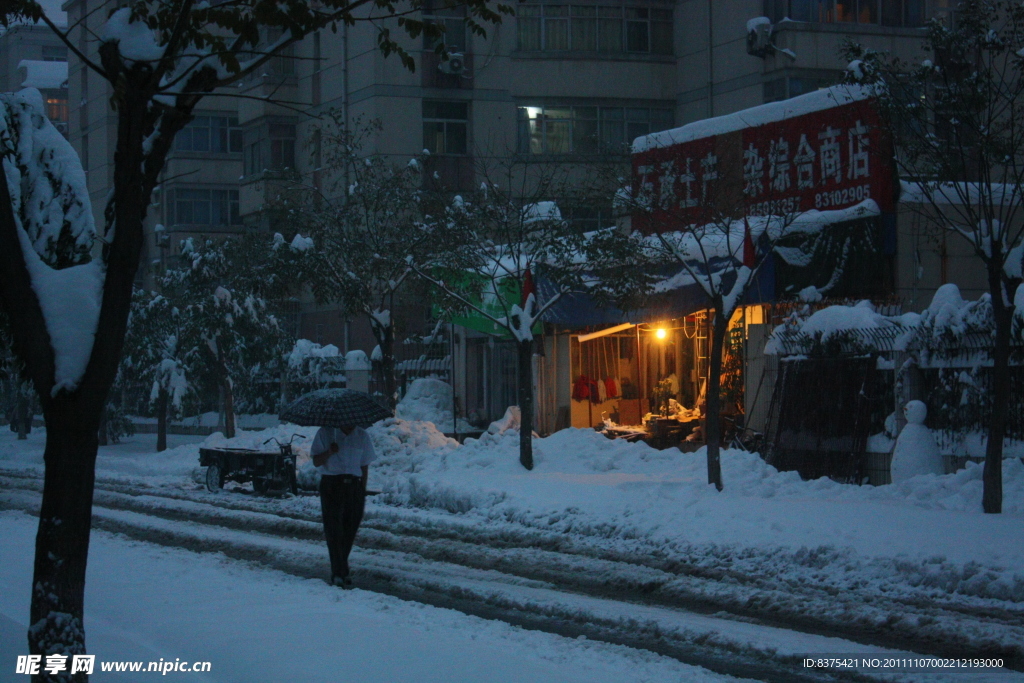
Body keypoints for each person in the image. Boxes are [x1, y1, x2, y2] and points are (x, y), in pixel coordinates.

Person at [312, 424, 376, 588]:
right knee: (334, 529)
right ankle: (338, 572)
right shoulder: (325, 433)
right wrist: (329, 452)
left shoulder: (362, 436)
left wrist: (362, 489)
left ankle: (341, 566)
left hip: (354, 485)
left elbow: (364, 465)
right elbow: (316, 461)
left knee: (350, 527)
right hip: (332, 485)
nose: (350, 421)